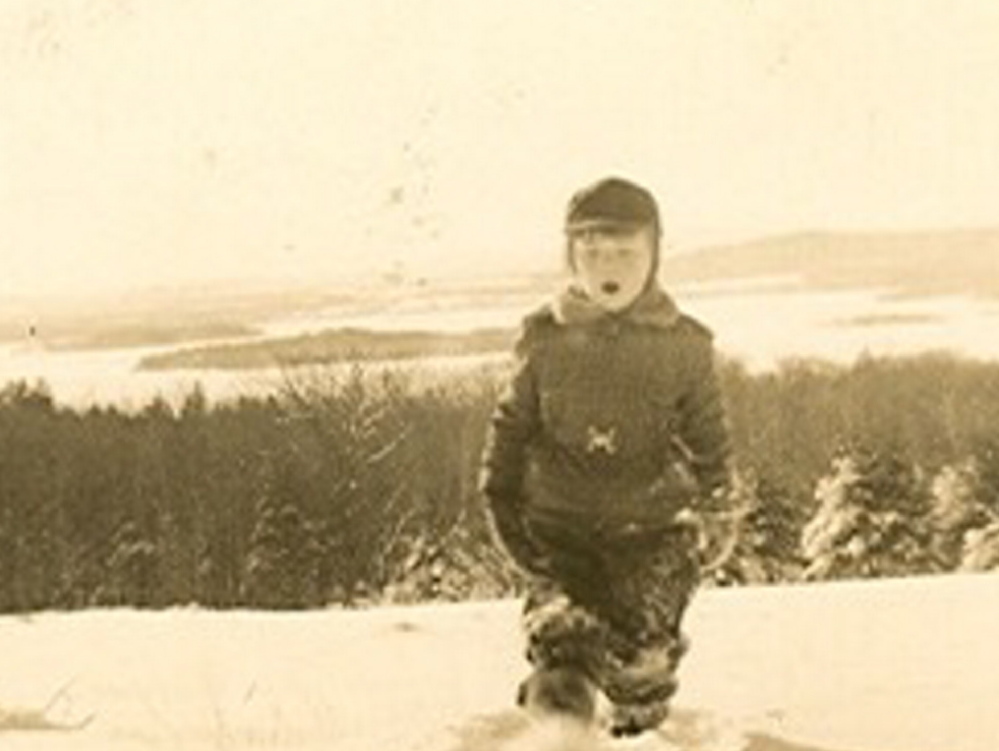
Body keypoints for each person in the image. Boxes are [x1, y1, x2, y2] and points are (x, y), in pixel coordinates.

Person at [479, 176, 732, 737]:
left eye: (624, 250)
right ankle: (559, 735)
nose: (607, 265)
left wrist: (716, 517)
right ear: (570, 258)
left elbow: (712, 443)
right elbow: (510, 430)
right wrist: (502, 505)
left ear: (654, 255)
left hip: (653, 534)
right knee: (563, 646)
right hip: (558, 533)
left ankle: (638, 723)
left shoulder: (685, 347)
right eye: (591, 251)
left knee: (641, 668)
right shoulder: (543, 340)